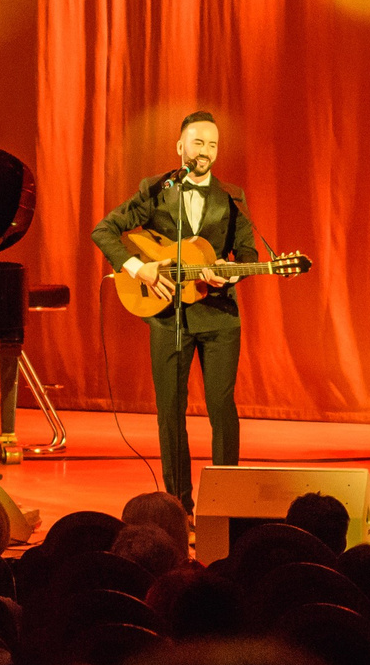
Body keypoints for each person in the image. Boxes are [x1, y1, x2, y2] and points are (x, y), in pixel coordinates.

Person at [92, 110, 260, 513]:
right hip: (169, 316)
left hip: (219, 315)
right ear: (180, 146)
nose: (205, 151)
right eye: (198, 142)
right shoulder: (155, 191)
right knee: (170, 410)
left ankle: (225, 503)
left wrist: (231, 275)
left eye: (213, 145)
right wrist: (139, 268)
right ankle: (177, 505)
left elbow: (249, 254)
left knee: (221, 406)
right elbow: (104, 230)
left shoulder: (232, 197)